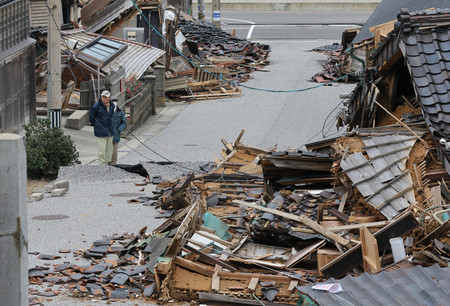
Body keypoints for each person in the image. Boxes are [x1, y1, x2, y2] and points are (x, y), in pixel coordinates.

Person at [89, 90, 115, 165]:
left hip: (110, 130)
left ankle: (108, 163)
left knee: (109, 150)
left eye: (106, 97)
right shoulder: (96, 106)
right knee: (102, 151)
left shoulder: (112, 105)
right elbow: (91, 119)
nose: (104, 98)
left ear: (109, 98)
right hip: (100, 131)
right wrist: (98, 125)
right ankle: (101, 164)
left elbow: (111, 116)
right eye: (103, 97)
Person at [110, 96, 127, 165]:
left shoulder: (120, 113)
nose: (114, 103)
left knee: (114, 150)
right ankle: (107, 162)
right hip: (107, 134)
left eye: (115, 101)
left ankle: (113, 163)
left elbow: (124, 123)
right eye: (112, 101)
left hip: (116, 133)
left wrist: (119, 129)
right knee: (107, 150)